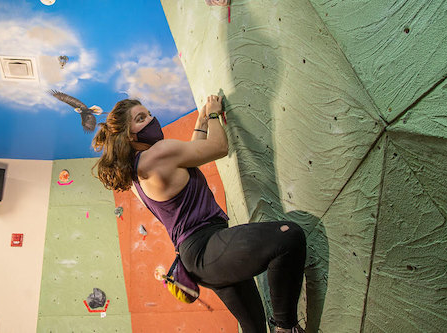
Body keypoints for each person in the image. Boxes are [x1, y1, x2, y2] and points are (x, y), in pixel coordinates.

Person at [92, 95, 306, 333]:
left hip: (200, 258)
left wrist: (202, 123)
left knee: (253, 327)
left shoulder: (137, 175)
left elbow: (191, 158)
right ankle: (286, 328)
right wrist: (214, 114)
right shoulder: (158, 153)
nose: (152, 120)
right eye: (141, 118)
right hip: (206, 246)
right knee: (289, 237)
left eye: (149, 114)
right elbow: (218, 148)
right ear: (129, 135)